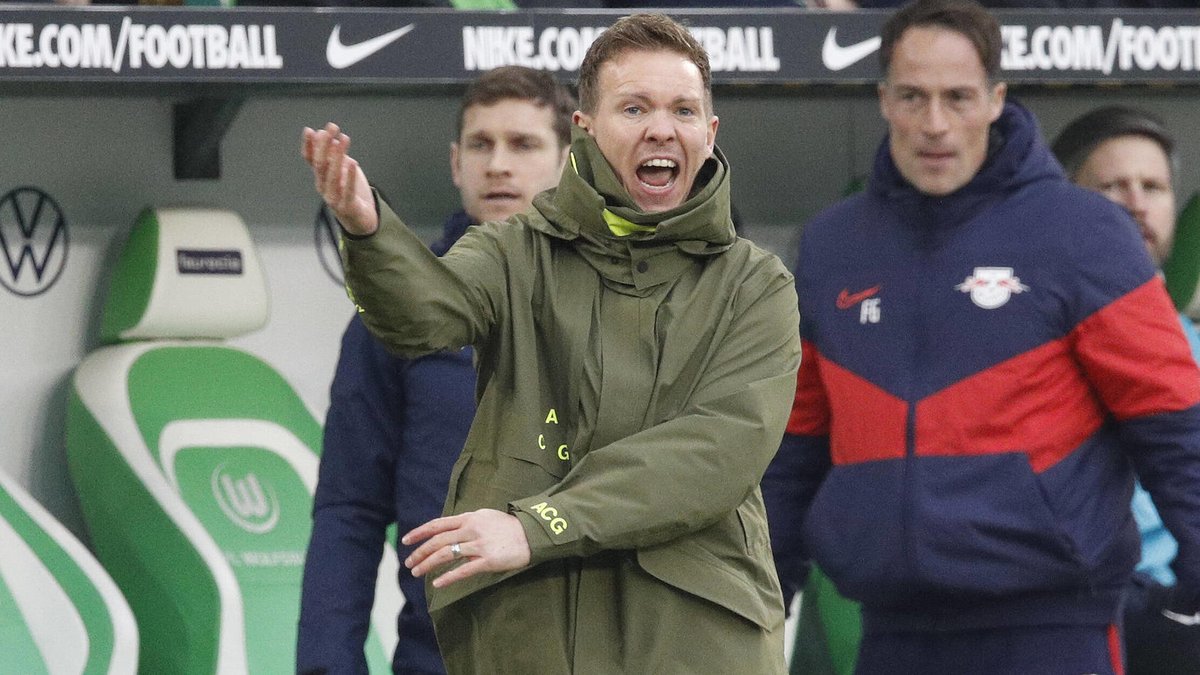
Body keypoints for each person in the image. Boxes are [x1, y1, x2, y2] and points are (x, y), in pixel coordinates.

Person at [302, 12, 801, 674]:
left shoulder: (755, 284)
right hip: (516, 641)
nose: (660, 127)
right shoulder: (511, 253)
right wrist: (369, 231)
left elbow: (716, 451)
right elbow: (424, 317)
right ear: (585, 132)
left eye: (683, 109)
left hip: (692, 647)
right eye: (634, 106)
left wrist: (537, 525)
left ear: (709, 133)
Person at [760, 0, 1200, 672]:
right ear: (883, 100)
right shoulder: (833, 245)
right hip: (893, 632)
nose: (935, 124)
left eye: (958, 97)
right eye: (913, 96)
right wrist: (757, 605)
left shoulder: (1084, 233)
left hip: (1053, 626)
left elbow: (1177, 428)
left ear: (997, 99)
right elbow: (795, 454)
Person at [296, 65, 574, 675]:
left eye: (523, 144)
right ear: (455, 163)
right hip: (441, 657)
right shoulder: (392, 317)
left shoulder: (617, 305)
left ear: (569, 161)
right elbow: (350, 511)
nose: (498, 165)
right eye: (481, 144)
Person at [1051, 105, 1200, 674]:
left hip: (1178, 614)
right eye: (1113, 186)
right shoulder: (1026, 343)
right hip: (1064, 615)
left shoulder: (1192, 344)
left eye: (1153, 186)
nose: (1138, 202)